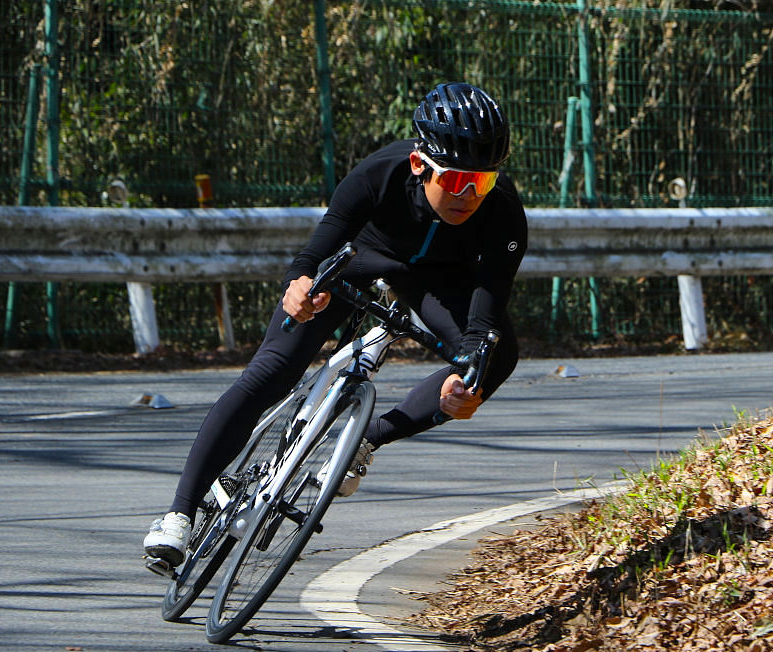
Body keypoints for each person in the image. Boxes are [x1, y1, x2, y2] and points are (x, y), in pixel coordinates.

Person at [144, 82, 526, 569]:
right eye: (455, 181)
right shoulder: (379, 172)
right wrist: (299, 290)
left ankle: (366, 439)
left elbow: (484, 318)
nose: (469, 195)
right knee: (272, 371)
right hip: (360, 259)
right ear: (419, 165)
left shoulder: (504, 214)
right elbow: (312, 255)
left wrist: (466, 380)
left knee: (498, 357)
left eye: (483, 182)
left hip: (434, 280)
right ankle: (178, 514)